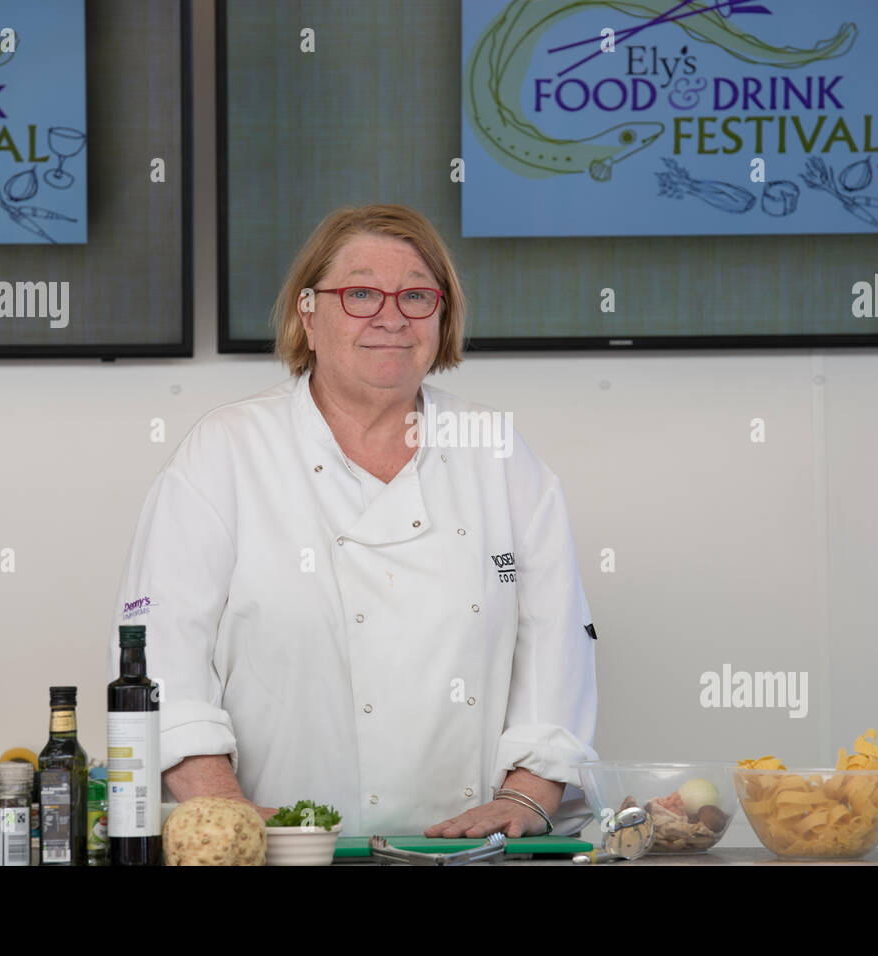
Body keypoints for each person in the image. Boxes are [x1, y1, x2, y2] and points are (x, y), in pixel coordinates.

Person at [109, 203, 598, 838]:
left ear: (441, 316)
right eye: (361, 293)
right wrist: (223, 808)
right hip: (284, 847)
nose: (391, 317)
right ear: (306, 314)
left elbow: (557, 647)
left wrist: (530, 797)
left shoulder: (497, 452)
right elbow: (160, 652)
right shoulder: (226, 450)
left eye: (417, 296)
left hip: (466, 850)